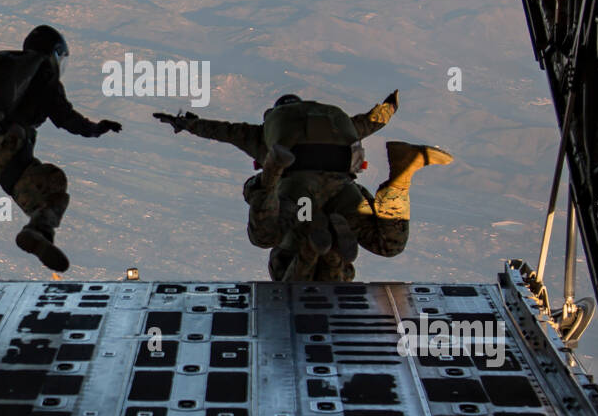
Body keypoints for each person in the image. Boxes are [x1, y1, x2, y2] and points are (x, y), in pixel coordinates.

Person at [155, 92, 452, 280]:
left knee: (265, 235)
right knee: (388, 244)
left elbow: (223, 131)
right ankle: (403, 170)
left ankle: (272, 175)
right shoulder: (337, 124)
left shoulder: (262, 134)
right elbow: (371, 122)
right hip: (343, 189)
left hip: (298, 190)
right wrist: (389, 106)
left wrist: (186, 124)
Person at [0, 25, 120, 274]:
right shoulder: (43, 75)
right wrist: (95, 129)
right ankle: (38, 231)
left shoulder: (2, 70)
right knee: (52, 188)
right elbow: (66, 118)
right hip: (3, 148)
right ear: (53, 53)